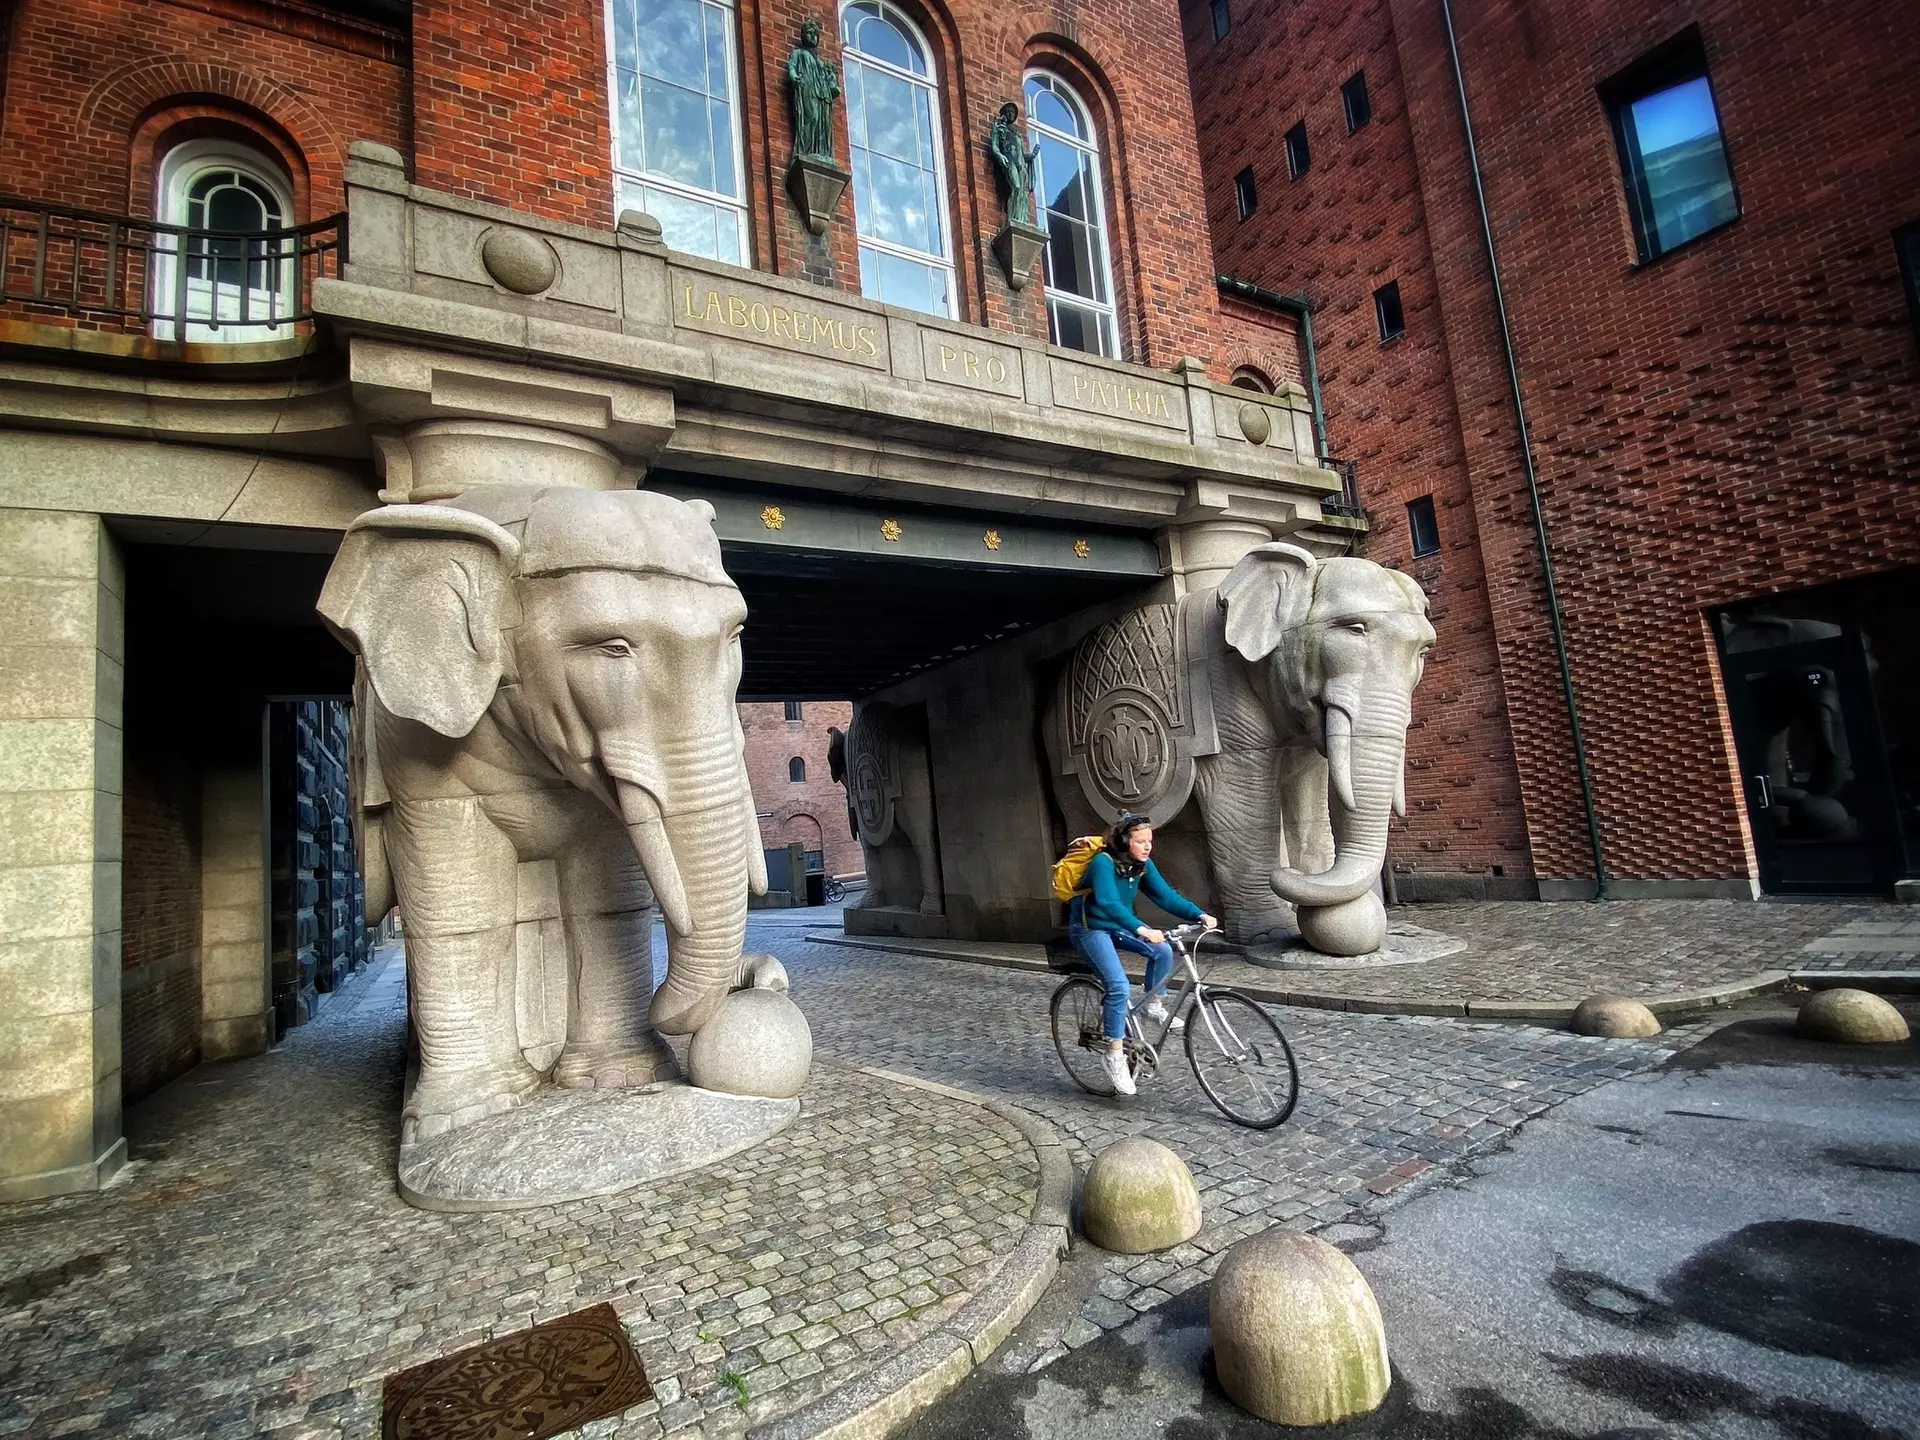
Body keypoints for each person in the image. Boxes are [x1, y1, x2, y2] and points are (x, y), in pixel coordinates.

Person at [1068, 815, 1217, 1096]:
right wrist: (1140, 928)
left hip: (1120, 925)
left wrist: (1198, 913)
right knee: (1118, 986)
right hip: (1091, 929)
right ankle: (1113, 1055)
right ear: (1125, 841)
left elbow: (1165, 896)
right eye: (1141, 841)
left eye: (1150, 841)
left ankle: (1153, 1005)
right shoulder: (1103, 862)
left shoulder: (1143, 865)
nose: (1148, 847)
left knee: (1162, 949)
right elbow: (1108, 902)